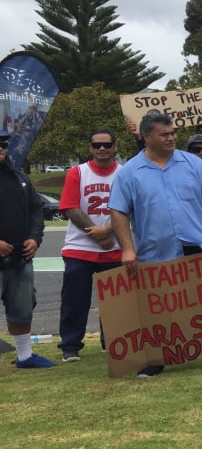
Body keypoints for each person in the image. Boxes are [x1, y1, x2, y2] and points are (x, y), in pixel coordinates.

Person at [108, 112, 202, 377]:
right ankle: (156, 358)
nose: (172, 138)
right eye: (164, 134)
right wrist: (127, 249)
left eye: (173, 132)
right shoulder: (129, 172)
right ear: (147, 137)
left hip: (195, 243)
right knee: (158, 305)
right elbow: (118, 212)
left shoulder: (193, 163)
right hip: (155, 250)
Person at [56, 129, 123, 362]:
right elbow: (70, 207)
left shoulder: (124, 174)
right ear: (90, 148)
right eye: (97, 145)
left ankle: (113, 342)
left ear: (115, 146)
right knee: (75, 301)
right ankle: (70, 346)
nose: (102, 149)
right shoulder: (77, 173)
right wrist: (98, 235)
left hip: (115, 249)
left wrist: (109, 231)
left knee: (115, 302)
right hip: (80, 249)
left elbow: (130, 209)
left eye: (107, 144)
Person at [0, 129, 52, 369]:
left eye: (2, 146)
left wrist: (34, 238)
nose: (0, 151)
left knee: (22, 309)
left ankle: (24, 356)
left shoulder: (20, 177)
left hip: (20, 257)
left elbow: (36, 211)